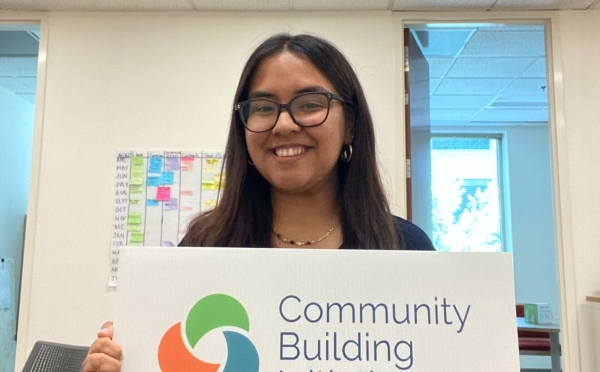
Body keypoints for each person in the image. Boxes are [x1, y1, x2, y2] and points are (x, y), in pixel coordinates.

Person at [82, 32, 435, 372]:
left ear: (352, 124)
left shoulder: (406, 248)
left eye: (310, 104)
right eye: (263, 108)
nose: (283, 124)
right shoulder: (205, 245)